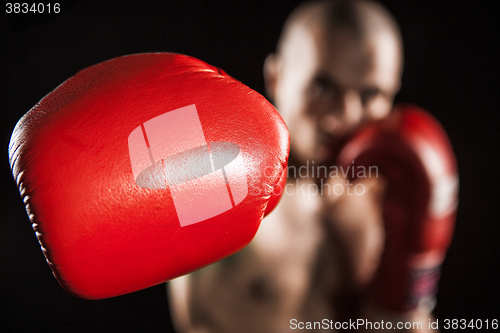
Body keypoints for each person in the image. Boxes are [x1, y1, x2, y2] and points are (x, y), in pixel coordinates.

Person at [168, 1, 437, 332]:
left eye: (371, 95)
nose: (346, 117)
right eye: (322, 87)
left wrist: (408, 297)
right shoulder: (215, 187)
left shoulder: (390, 196)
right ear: (276, 77)